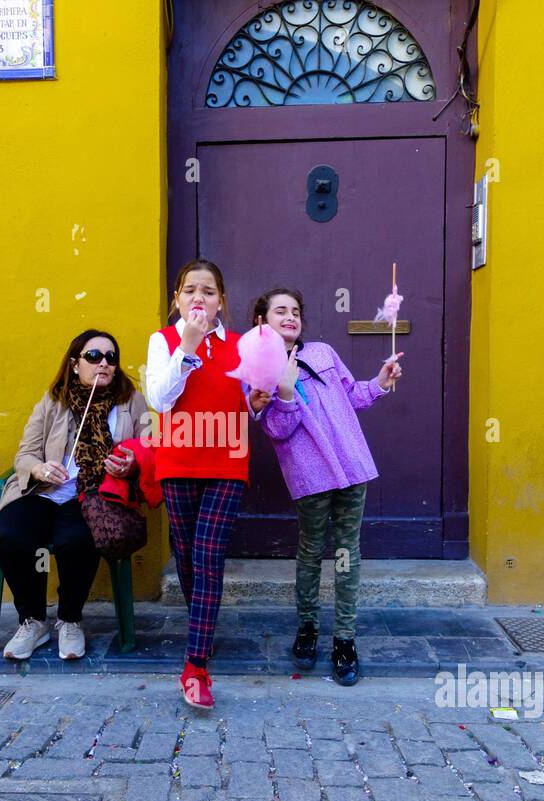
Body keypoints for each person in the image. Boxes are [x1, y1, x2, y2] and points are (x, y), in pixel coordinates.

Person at [246, 288, 402, 685]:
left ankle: (345, 639)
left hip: (352, 468)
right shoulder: (257, 369)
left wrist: (380, 383)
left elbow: (351, 396)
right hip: (311, 476)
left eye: (295, 310)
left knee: (348, 554)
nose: (290, 317)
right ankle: (308, 628)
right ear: (262, 320)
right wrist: (283, 390)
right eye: (280, 310)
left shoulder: (322, 353)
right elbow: (278, 431)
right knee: (312, 552)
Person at [0, 330, 150, 661]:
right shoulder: (53, 401)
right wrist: (40, 469)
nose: (103, 363)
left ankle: (69, 619)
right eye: (94, 357)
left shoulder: (130, 401)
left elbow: (148, 447)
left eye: (111, 357)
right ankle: (33, 620)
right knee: (11, 536)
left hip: (93, 495)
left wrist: (130, 462)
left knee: (75, 541)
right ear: (75, 364)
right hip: (45, 491)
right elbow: (24, 455)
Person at [144, 259, 252, 709]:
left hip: (228, 461)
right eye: (190, 290)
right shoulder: (162, 340)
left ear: (221, 300)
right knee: (186, 555)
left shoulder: (244, 344)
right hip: (178, 459)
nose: (199, 299)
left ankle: (196, 667)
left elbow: (255, 404)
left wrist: (263, 399)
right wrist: (186, 347)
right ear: (177, 299)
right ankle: (202, 625)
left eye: (209, 291)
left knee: (207, 556)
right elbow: (160, 399)